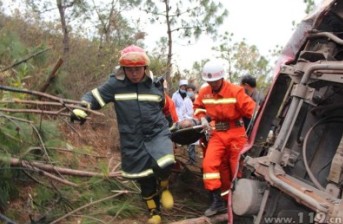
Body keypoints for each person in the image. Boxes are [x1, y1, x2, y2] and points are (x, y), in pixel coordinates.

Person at [70, 45, 175, 224]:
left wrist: (172, 127)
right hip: (132, 138)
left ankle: (164, 187)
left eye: (137, 69)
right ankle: (153, 211)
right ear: (123, 69)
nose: (134, 73)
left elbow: (166, 109)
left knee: (165, 162)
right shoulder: (115, 85)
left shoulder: (154, 85)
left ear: (145, 68)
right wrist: (82, 109)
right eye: (129, 69)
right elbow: (92, 97)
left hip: (158, 132)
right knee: (144, 177)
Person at [193, 60, 256, 217]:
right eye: (209, 81)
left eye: (214, 81)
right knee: (209, 165)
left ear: (221, 78)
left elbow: (254, 111)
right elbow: (198, 107)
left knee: (237, 169)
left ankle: (240, 202)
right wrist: (202, 118)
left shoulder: (236, 91)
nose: (212, 84)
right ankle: (218, 202)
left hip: (236, 133)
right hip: (217, 134)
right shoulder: (204, 92)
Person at [172, 80, 194, 163]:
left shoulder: (188, 96)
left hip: (188, 118)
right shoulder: (175, 95)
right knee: (178, 133)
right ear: (180, 86)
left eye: (185, 86)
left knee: (188, 134)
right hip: (179, 116)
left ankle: (190, 155)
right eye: (183, 86)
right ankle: (180, 149)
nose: (184, 87)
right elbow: (172, 105)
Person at [185, 83, 198, 165]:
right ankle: (192, 159)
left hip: (198, 121)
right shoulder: (186, 100)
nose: (189, 92)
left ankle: (194, 159)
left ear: (194, 91)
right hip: (189, 122)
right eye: (188, 91)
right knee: (190, 141)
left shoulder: (198, 99)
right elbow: (183, 112)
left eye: (190, 90)